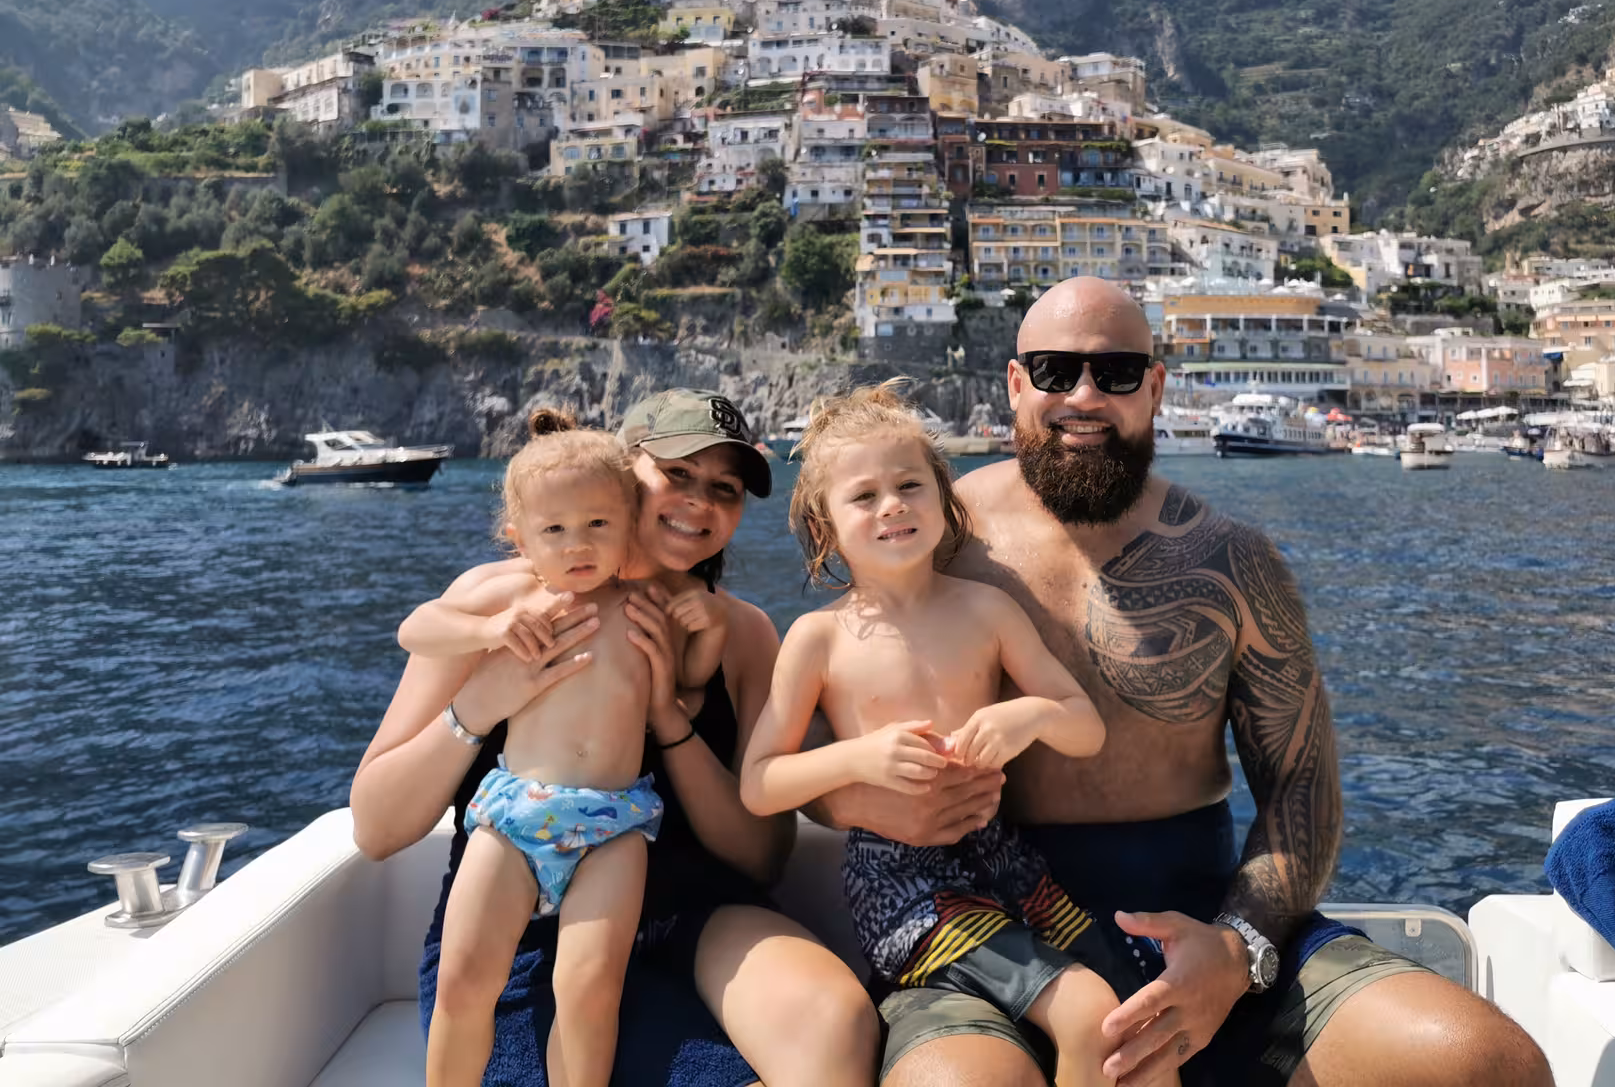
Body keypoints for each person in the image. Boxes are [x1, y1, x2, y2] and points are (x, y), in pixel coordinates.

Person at [811, 279, 1554, 1087]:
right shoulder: (928, 542)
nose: (1084, 397)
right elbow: (817, 748)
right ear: (1017, 384)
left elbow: (1302, 793)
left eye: (1118, 372)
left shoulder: (1232, 561)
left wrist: (1238, 950)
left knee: (1486, 1064)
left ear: (1157, 387)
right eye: (1056, 372)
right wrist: (868, 796)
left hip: (1206, 923)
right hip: (987, 933)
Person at [351, 389, 878, 1087]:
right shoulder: (500, 601)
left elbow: (762, 858)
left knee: (836, 1023)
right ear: (624, 475)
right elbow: (377, 827)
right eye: (678, 475)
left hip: (694, 916)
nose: (699, 502)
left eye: (724, 489)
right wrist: (483, 700)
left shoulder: (739, 634)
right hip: (523, 929)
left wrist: (669, 717)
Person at [737, 383, 1117, 1087]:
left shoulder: (988, 610)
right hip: (905, 887)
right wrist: (859, 758)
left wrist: (1025, 715)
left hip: (1006, 865)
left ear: (943, 500)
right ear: (825, 529)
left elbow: (1085, 729)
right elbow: (760, 783)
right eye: (864, 496)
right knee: (1091, 1011)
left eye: (910, 485)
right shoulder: (817, 640)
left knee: (1127, 995)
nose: (892, 506)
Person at [403, 408, 709, 1087]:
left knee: (589, 985)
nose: (578, 544)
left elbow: (689, 685)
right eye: (555, 530)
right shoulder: (516, 595)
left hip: (615, 822)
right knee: (462, 979)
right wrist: (492, 631)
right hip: (513, 813)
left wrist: (705, 628)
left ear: (630, 523)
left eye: (598, 524)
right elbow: (416, 629)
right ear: (520, 540)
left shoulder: (646, 601)